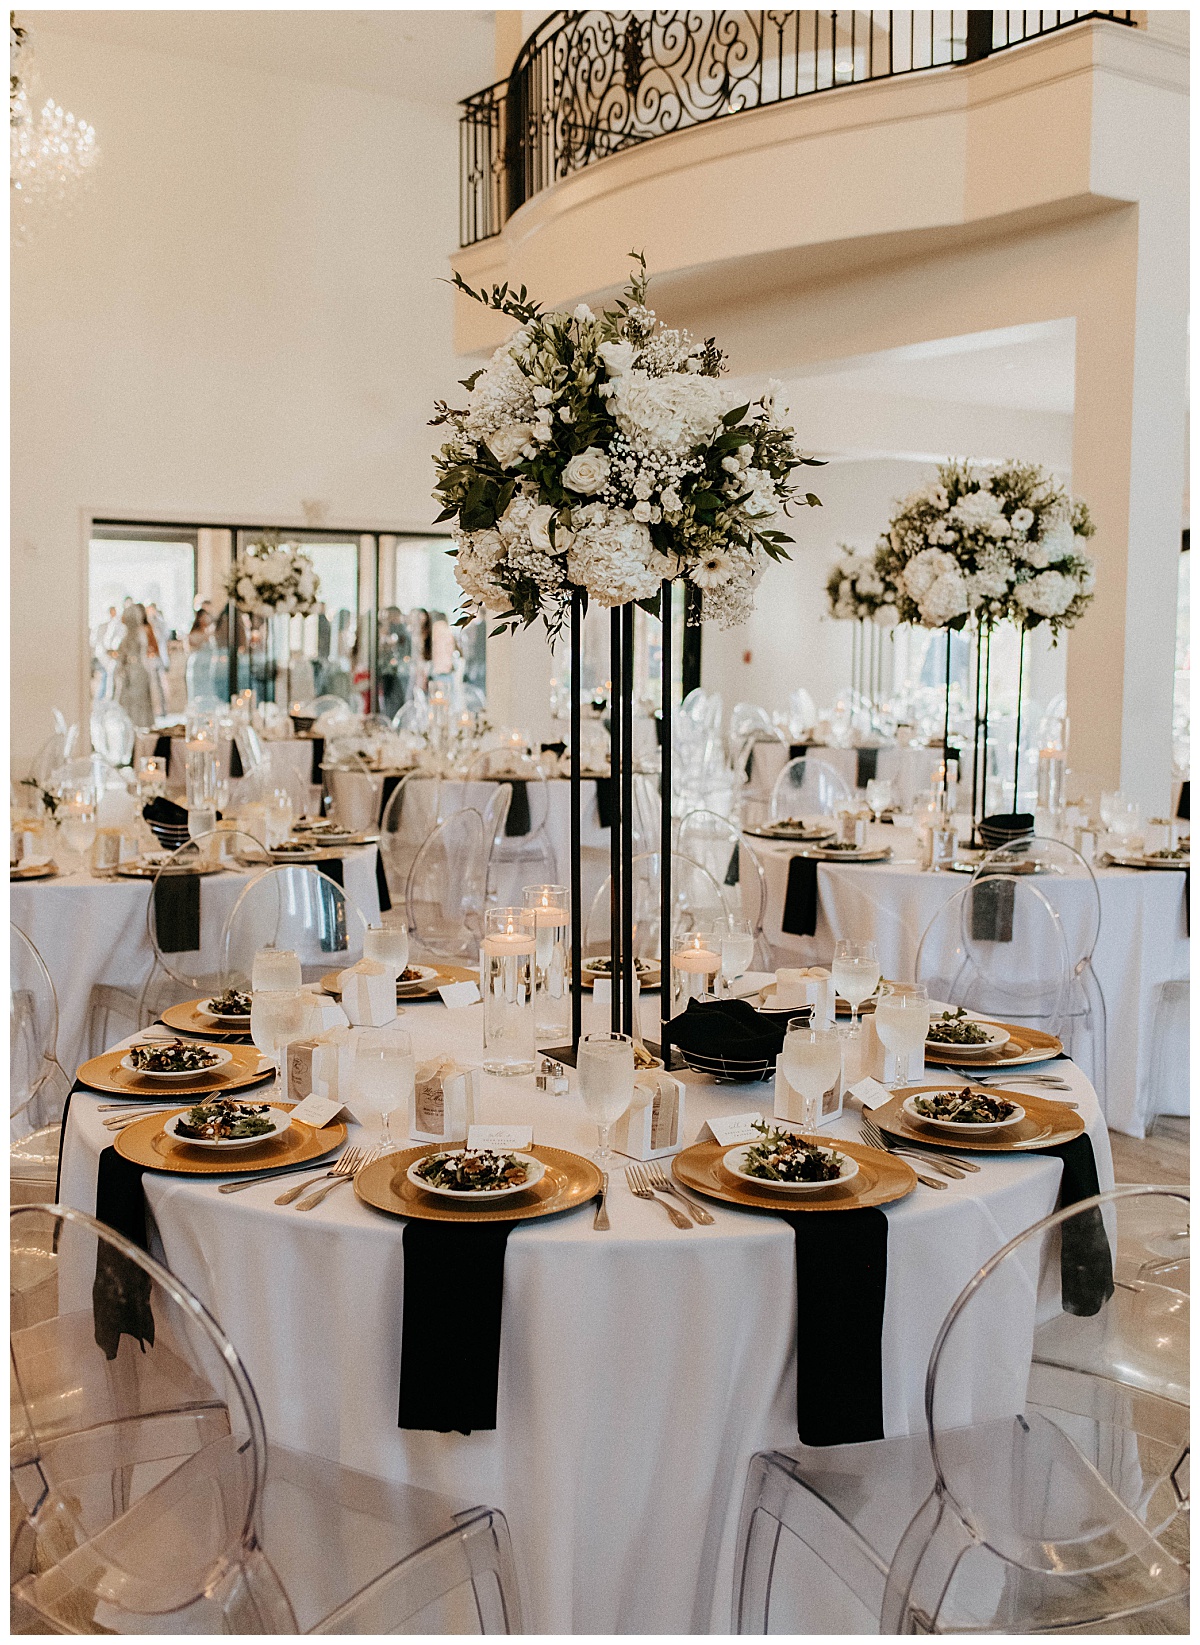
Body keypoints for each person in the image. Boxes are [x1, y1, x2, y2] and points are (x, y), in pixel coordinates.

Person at [113, 603, 155, 730]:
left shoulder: (134, 635)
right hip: (137, 670)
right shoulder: (136, 634)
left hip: (135, 672)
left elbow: (126, 654)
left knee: (136, 702)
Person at [145, 602, 169, 719]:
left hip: (158, 657)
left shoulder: (159, 621)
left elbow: (165, 635)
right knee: (150, 685)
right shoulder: (146, 624)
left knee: (160, 685)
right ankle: (153, 711)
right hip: (149, 659)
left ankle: (163, 709)